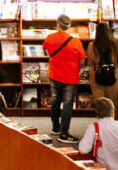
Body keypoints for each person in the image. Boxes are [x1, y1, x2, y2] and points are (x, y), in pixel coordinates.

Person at [45, 14, 86, 143]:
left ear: (58, 25)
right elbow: (82, 60)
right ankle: (64, 134)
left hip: (54, 75)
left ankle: (55, 128)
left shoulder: (50, 37)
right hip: (70, 77)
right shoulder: (75, 41)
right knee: (68, 105)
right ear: (69, 26)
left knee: (55, 101)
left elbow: (46, 49)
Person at [87, 22, 118, 113]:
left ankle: (102, 125)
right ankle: (114, 125)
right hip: (113, 76)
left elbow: (90, 62)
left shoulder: (92, 45)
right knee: (113, 105)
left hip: (96, 77)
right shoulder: (116, 44)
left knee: (100, 105)